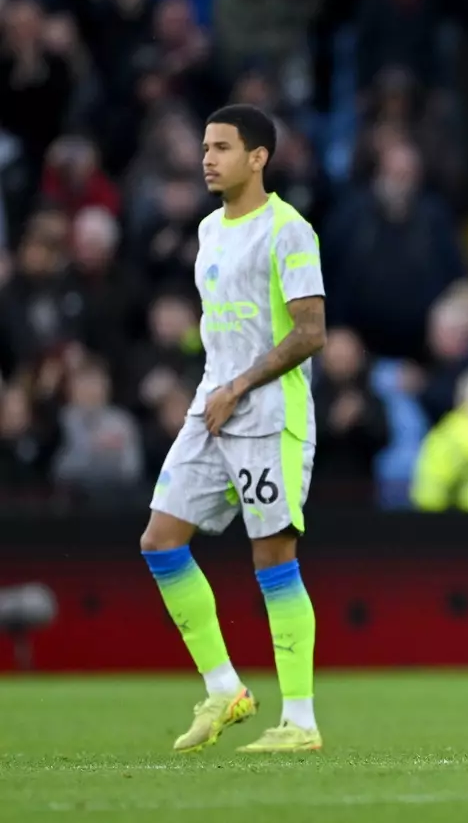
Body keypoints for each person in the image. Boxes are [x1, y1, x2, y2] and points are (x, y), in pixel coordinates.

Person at [139, 104, 327, 753]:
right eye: (204, 147)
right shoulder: (208, 230)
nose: (207, 158)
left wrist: (240, 386)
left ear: (258, 157)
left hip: (268, 416)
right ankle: (225, 688)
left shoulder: (289, 230)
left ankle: (299, 722)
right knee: (161, 540)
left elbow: (310, 332)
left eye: (222, 147)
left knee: (272, 556)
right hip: (210, 407)